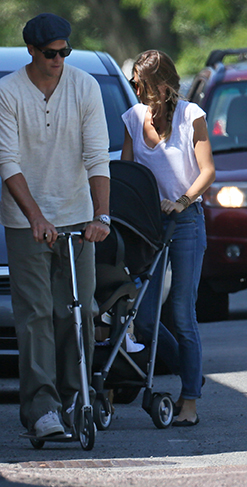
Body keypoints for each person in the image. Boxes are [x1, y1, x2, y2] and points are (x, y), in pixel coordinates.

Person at [0, 13, 111, 437]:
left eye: (65, 52)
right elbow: (8, 161)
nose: (59, 59)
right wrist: (35, 218)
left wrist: (101, 216)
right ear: (32, 51)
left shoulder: (85, 86)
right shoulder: (8, 92)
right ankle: (42, 410)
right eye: (51, 53)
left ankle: (73, 398)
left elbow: (97, 155)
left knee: (77, 312)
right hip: (24, 220)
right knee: (35, 316)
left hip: (78, 216)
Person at [121, 50, 215, 427]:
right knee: (143, 318)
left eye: (139, 84)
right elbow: (127, 176)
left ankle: (189, 397)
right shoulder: (131, 119)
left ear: (161, 84)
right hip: (149, 225)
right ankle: (192, 370)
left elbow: (207, 171)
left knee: (181, 313)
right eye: (133, 84)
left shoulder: (192, 116)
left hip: (187, 219)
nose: (136, 90)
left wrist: (182, 201)